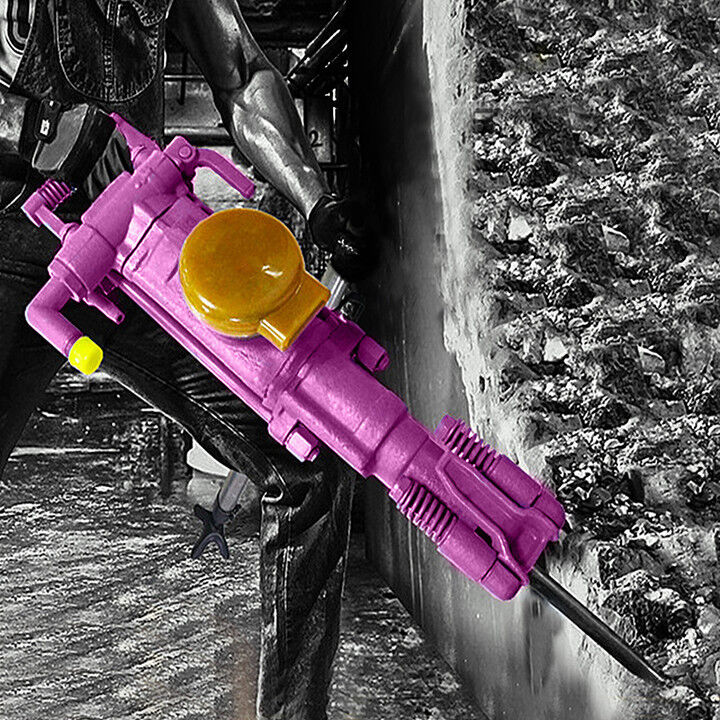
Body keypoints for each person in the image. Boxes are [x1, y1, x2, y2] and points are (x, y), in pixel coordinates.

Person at [0, 2, 375, 719]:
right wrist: (38, 127)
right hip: (9, 228)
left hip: (128, 239)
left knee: (315, 449)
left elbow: (240, 74)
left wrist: (316, 197)